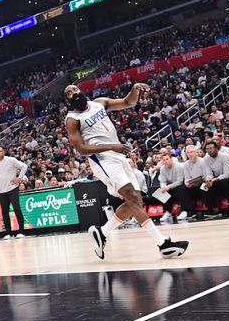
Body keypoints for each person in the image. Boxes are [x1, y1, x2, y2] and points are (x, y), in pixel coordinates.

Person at [63, 84, 188, 259]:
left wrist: (135, 89)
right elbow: (81, 149)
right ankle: (163, 244)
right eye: (68, 93)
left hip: (118, 156)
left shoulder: (99, 103)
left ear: (81, 91)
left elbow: (127, 102)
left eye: (74, 90)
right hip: (103, 160)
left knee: (135, 199)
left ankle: (102, 232)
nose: (73, 93)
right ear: (67, 100)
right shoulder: (72, 119)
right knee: (131, 196)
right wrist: (112, 146)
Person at [0, 147, 28, 240]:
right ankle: (8, 232)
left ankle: (21, 231)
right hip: (1, 191)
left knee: (16, 209)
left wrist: (19, 178)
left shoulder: (11, 160)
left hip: (12, 189)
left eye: (0, 151)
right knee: (4, 212)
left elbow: (24, 166)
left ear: (3, 152)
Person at [204, 140, 229, 216]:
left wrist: (214, 179)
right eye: (207, 149)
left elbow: (227, 174)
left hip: (225, 179)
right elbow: (208, 173)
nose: (209, 150)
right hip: (214, 180)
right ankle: (212, 207)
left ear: (216, 148)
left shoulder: (224, 157)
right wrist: (209, 180)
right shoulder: (206, 158)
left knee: (225, 183)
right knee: (204, 186)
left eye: (211, 148)